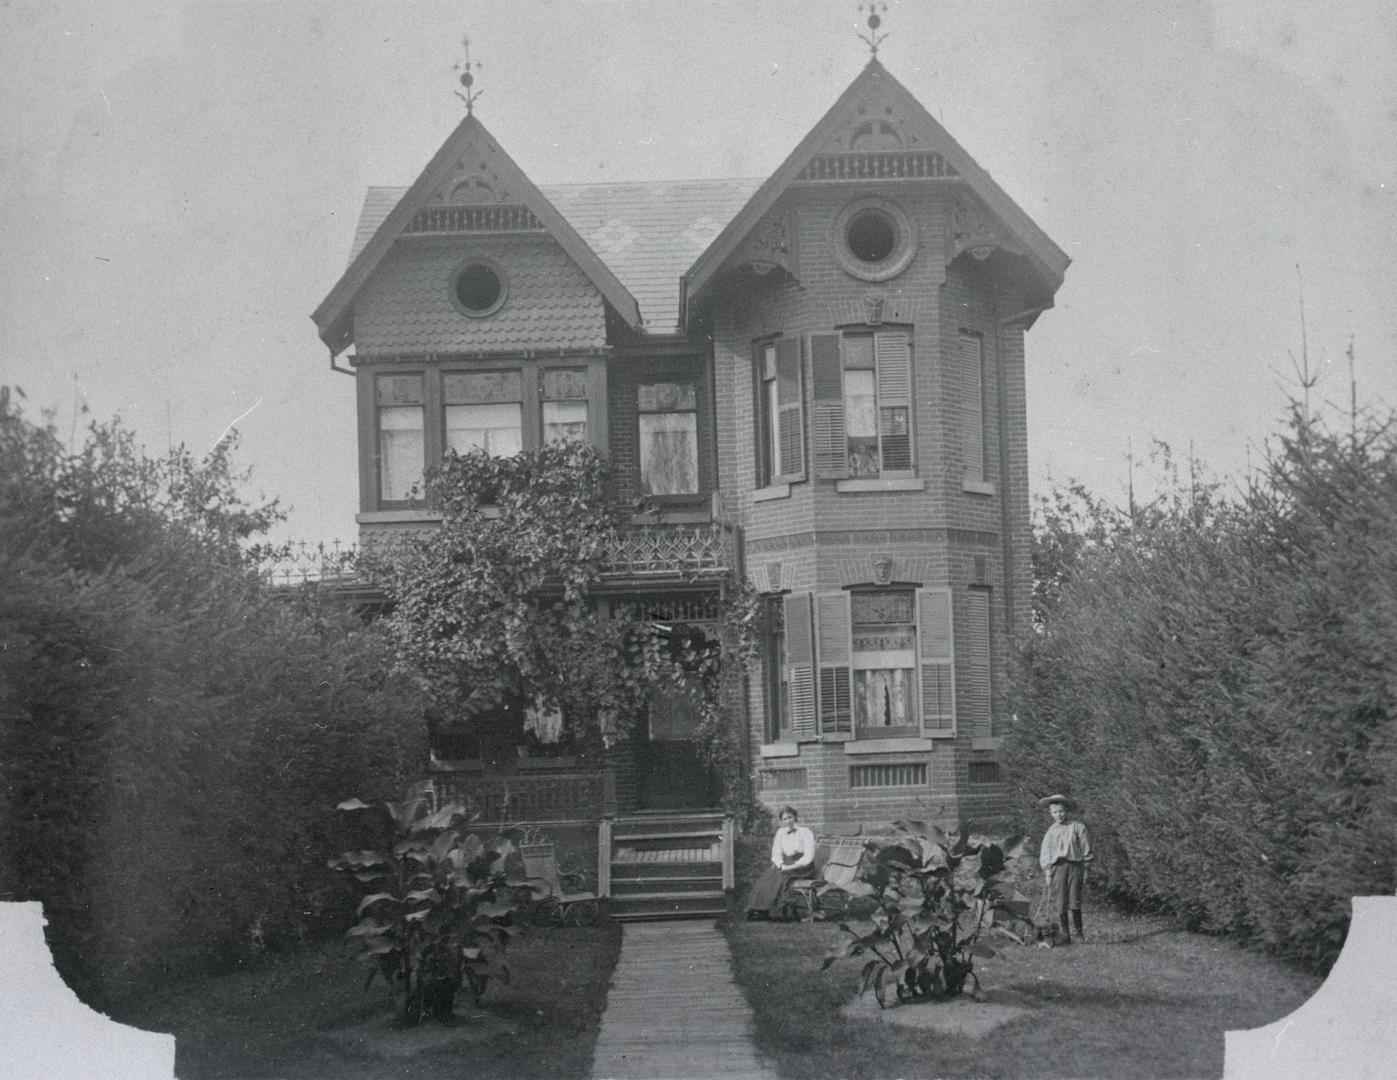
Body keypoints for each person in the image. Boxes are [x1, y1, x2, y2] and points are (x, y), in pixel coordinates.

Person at [1038, 794, 1093, 944]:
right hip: (1058, 868)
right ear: (1051, 813)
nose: (1059, 815)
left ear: (1067, 811)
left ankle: (1079, 934)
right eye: (1055, 812)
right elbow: (1046, 853)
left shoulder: (1077, 827)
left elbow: (1086, 849)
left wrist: (1086, 869)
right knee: (1061, 902)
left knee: (1074, 900)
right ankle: (1066, 934)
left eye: (1061, 811)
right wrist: (1048, 872)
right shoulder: (1051, 832)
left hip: (1075, 867)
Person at [744, 806, 816, 920]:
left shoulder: (806, 832)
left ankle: (777, 911)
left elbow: (809, 856)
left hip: (803, 866)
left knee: (781, 877)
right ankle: (759, 910)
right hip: (786, 863)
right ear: (782, 821)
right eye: (785, 819)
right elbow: (776, 853)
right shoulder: (780, 833)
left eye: (790, 817)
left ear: (795, 817)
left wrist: (793, 866)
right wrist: (782, 865)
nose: (788, 821)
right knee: (768, 876)